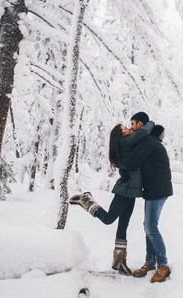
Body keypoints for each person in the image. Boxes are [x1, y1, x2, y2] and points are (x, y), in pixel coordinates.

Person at [68, 118, 154, 275]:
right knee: (108, 219)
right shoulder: (125, 142)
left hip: (132, 191)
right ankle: (85, 200)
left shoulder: (127, 142)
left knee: (123, 225)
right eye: (124, 128)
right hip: (124, 190)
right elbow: (142, 133)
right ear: (120, 135)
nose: (128, 128)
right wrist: (150, 123)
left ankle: (119, 262)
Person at [120, 113, 173, 283]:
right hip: (153, 189)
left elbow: (131, 162)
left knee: (151, 227)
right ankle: (150, 262)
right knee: (148, 226)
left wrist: (117, 159)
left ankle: (163, 265)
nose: (131, 127)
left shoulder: (148, 142)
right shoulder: (148, 140)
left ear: (140, 123)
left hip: (158, 189)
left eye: (133, 124)